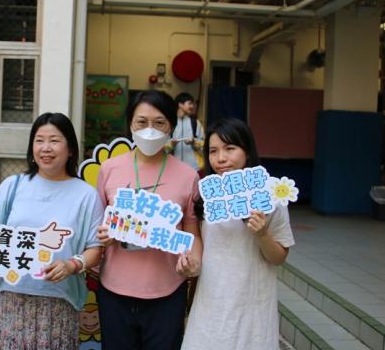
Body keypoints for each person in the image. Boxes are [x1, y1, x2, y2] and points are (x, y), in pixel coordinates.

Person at [0, 112, 104, 350]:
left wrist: (72, 265)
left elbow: (95, 249)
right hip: (11, 298)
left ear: (70, 149)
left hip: (59, 302)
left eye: (54, 140)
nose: (46, 148)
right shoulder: (13, 186)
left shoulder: (86, 195)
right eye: (39, 140)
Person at [96, 90, 202, 350]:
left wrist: (194, 262)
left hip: (168, 291)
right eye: (141, 122)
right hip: (114, 291)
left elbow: (192, 231)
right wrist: (103, 236)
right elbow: (96, 226)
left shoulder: (188, 176)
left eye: (159, 123)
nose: (149, 130)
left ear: (171, 127)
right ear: (130, 125)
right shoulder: (109, 169)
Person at [181, 118, 295, 350]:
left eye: (230, 149)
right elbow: (200, 246)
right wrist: (190, 263)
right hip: (210, 303)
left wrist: (262, 234)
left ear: (247, 151)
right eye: (213, 151)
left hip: (253, 305)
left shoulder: (270, 194)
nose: (221, 158)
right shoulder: (206, 195)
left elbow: (279, 257)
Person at [170, 92, 204, 171]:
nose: (192, 106)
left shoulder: (195, 123)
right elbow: (162, 147)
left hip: (194, 168)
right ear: (180, 104)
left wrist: (194, 142)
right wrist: (171, 144)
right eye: (190, 103)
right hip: (173, 168)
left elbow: (203, 144)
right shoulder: (170, 123)